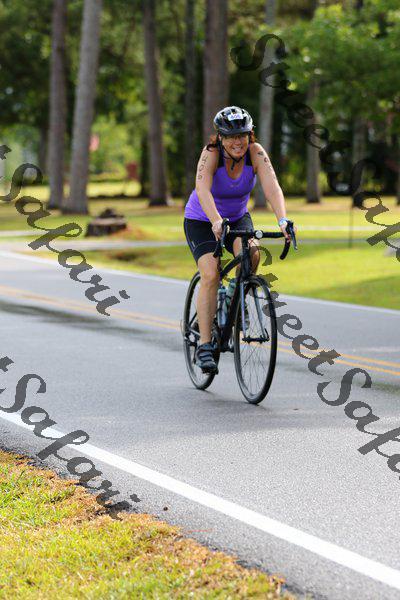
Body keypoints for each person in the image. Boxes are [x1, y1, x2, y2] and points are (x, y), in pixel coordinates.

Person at [183, 105, 293, 373]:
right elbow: (202, 189)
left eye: (242, 135)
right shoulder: (211, 154)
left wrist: (283, 220)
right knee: (211, 273)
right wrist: (215, 220)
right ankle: (205, 345)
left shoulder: (256, 153)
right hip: (202, 219)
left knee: (252, 254)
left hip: (237, 217)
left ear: (249, 134)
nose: (237, 142)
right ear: (220, 137)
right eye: (231, 136)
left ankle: (235, 294)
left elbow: (272, 187)